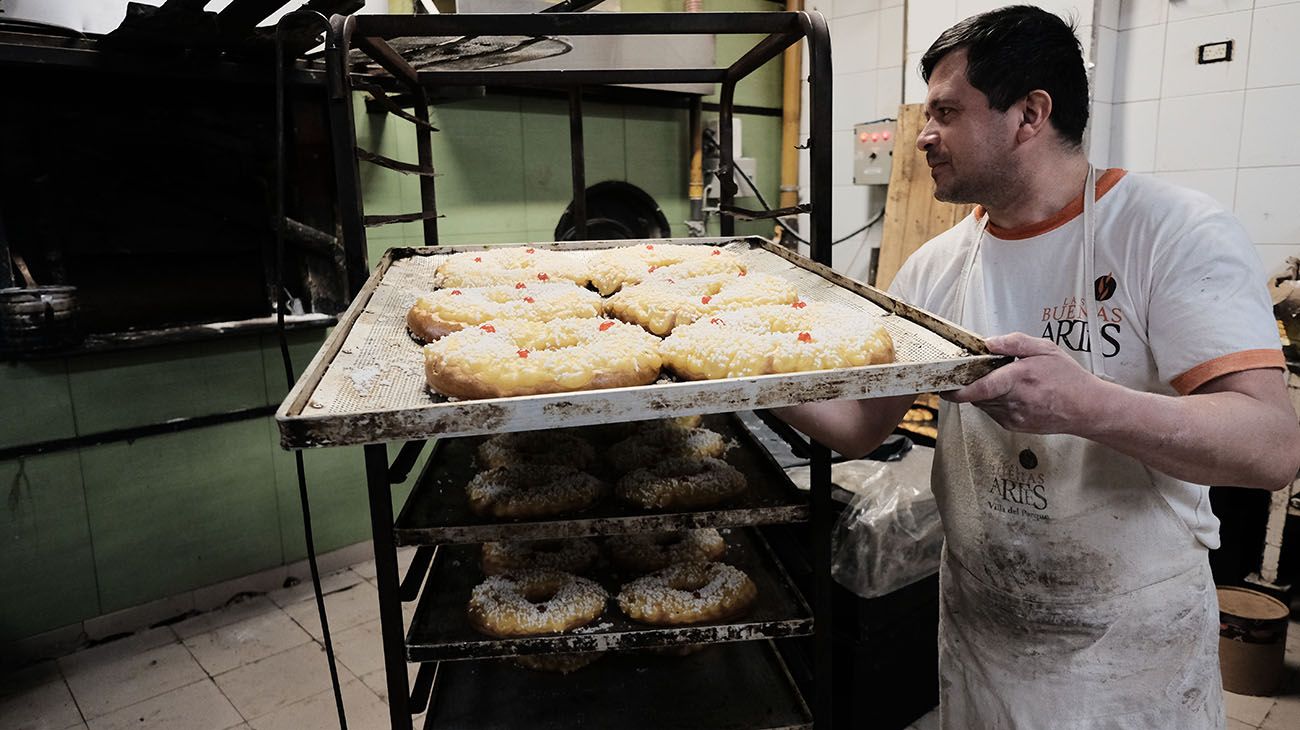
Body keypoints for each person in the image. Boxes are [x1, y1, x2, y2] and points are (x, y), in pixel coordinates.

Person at [775, 6, 1300, 728]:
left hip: (1127, 649)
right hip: (983, 635)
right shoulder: (933, 268)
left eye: (946, 112)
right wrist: (730, 367)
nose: (921, 135)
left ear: (1029, 114)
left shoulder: (1167, 231)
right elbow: (859, 428)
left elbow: (1272, 447)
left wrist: (1085, 404)